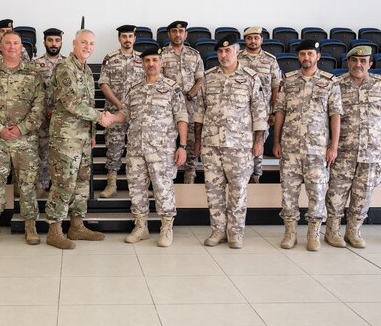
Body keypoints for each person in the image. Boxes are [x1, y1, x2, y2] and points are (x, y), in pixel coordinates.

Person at [194, 36, 267, 248]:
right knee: (213, 190)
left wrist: (259, 142)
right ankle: (218, 231)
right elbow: (199, 113)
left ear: (237, 52)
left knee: (238, 190)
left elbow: (259, 113)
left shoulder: (251, 78)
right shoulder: (208, 78)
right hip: (211, 145)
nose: (223, 56)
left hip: (240, 145)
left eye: (227, 52)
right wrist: (198, 141)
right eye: (220, 52)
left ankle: (235, 233)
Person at [111, 46, 188, 247]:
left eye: (155, 60)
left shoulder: (172, 88)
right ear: (142, 63)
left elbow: (182, 117)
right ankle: (141, 227)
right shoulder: (135, 89)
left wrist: (182, 146)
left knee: (163, 189)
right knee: (136, 189)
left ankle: (166, 227)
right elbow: (124, 115)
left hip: (162, 151)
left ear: (161, 63)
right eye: (147, 61)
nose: (151, 64)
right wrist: (110, 118)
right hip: (136, 149)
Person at [44, 29, 113, 249]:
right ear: (74, 43)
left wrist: (92, 133)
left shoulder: (85, 70)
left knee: (82, 182)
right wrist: (100, 118)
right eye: (84, 42)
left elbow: (89, 103)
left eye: (91, 44)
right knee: (64, 182)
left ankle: (76, 226)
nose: (88, 47)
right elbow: (71, 103)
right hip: (65, 136)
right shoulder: (66, 68)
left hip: (82, 136)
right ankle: (54, 230)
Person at [325, 45, 381, 249]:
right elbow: (328, 117)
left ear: (370, 64)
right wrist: (331, 145)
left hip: (371, 152)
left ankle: (354, 231)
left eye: (363, 61)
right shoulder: (336, 85)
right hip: (343, 151)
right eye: (354, 61)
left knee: (363, 194)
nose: (358, 64)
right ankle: (332, 231)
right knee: (336, 194)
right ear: (348, 62)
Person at [272, 39, 342, 251]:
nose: (306, 58)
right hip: (291, 148)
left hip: (318, 150)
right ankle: (290, 232)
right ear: (298, 57)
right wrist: (276, 141)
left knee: (317, 192)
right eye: (303, 54)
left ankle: (313, 233)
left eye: (310, 54)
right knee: (288, 192)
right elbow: (280, 112)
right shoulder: (289, 81)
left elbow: (335, 115)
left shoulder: (330, 82)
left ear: (318, 56)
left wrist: (333, 146)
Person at [0, 31, 45, 245]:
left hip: (25, 139)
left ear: (22, 47)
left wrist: (21, 128)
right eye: (8, 43)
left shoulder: (33, 74)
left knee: (27, 184)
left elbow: (39, 105)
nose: (12, 47)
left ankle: (30, 227)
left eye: (16, 43)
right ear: (1, 46)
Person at [98, 25, 143, 198]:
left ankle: (138, 186)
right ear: (119, 38)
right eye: (124, 36)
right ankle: (112, 184)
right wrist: (119, 105)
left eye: (130, 36)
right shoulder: (110, 58)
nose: (127, 39)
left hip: (137, 114)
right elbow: (103, 83)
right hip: (114, 113)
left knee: (137, 151)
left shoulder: (142, 59)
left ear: (135, 38)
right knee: (114, 149)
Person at [161, 20, 204, 184]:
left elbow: (200, 79)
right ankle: (166, 177)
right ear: (169, 34)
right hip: (168, 106)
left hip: (191, 105)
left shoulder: (194, 55)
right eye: (174, 31)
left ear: (185, 34)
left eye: (181, 31)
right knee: (168, 140)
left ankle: (190, 175)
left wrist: (190, 96)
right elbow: (159, 79)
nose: (177, 34)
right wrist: (176, 97)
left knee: (191, 141)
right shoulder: (162, 55)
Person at [238, 26, 282, 183]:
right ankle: (242, 176)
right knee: (242, 146)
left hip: (263, 111)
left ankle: (255, 177)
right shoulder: (237, 57)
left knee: (258, 145)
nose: (253, 41)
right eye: (249, 38)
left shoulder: (270, 60)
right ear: (245, 40)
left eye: (256, 37)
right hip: (240, 112)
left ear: (261, 40)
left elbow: (276, 86)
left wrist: (274, 112)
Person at [31, 28, 66, 198]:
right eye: (50, 40)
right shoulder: (35, 63)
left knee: (60, 154)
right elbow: (32, 90)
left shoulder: (68, 63)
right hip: (41, 117)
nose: (54, 44)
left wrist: (57, 109)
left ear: (61, 42)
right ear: (44, 42)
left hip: (62, 117)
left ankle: (57, 187)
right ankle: (42, 185)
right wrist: (44, 108)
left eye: (57, 40)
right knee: (42, 152)